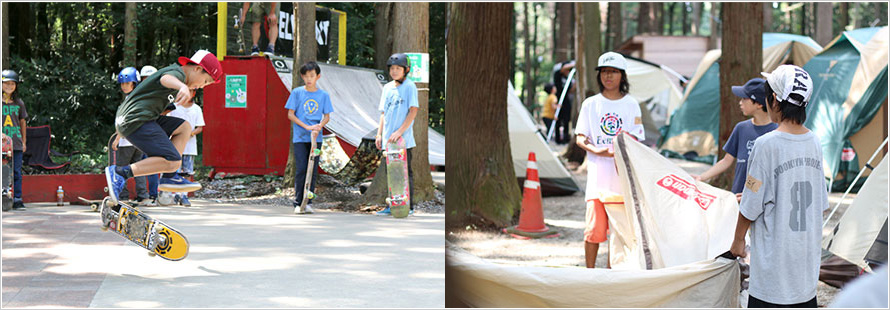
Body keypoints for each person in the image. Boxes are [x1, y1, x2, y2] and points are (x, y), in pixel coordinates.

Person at [729, 65, 828, 307]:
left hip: (772, 280)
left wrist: (738, 241)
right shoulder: (814, 141)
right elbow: (820, 203)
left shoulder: (766, 144)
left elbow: (751, 206)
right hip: (805, 273)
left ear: (773, 99)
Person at [105, 50, 223, 205]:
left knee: (184, 127)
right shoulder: (178, 74)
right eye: (206, 81)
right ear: (197, 69)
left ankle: (170, 175)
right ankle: (120, 173)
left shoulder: (177, 82)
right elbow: (165, 78)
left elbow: (159, 106)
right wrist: (182, 86)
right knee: (173, 160)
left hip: (141, 117)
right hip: (136, 119)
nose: (202, 86)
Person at [574, 52, 644, 268]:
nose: (608, 76)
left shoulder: (631, 104)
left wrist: (620, 149)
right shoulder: (590, 104)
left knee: (620, 232)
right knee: (593, 230)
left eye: (613, 72)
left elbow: (638, 138)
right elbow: (580, 137)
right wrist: (596, 149)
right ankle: (589, 272)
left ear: (622, 76)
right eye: (604, 72)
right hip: (598, 179)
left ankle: (613, 274)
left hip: (622, 181)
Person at [693, 78, 777, 200]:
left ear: (759, 104)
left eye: (744, 98)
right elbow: (727, 160)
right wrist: (702, 177)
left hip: (762, 202)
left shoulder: (776, 132)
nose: (740, 102)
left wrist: (753, 195)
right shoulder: (741, 128)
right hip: (737, 198)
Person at [285, 61, 332, 215]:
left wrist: (319, 126)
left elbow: (327, 117)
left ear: (318, 76)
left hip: (316, 138)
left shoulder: (323, 95)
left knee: (312, 170)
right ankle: (298, 203)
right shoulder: (297, 93)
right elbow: (290, 114)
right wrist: (306, 127)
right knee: (301, 169)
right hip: (300, 137)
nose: (309, 79)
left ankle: (308, 202)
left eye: (312, 76)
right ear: (302, 77)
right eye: (306, 76)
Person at [375, 53, 419, 216]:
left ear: (405, 70)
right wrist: (379, 135)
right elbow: (383, 113)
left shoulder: (409, 86)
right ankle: (392, 205)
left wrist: (400, 132)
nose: (394, 71)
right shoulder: (387, 88)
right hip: (388, 140)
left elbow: (413, 111)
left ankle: (409, 206)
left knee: (405, 173)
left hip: (403, 140)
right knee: (391, 174)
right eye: (392, 69)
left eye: (398, 69)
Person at [111, 67, 155, 206]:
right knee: (139, 168)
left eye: (127, 83)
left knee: (121, 168)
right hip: (139, 142)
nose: (124, 86)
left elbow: (124, 120)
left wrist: (118, 138)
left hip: (127, 141)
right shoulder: (140, 96)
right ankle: (143, 196)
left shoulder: (130, 99)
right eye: (122, 84)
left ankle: (123, 196)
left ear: (134, 84)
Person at [167, 92, 205, 207]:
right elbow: (167, 123)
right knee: (175, 169)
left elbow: (200, 127)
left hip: (190, 145)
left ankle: (184, 195)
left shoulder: (196, 108)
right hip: (175, 145)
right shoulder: (174, 107)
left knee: (187, 171)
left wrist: (190, 133)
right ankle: (175, 194)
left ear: (193, 93)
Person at [2, 70, 28, 210]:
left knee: (17, 172)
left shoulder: (19, 103)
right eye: (6, 83)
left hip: (16, 143)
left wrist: (23, 141)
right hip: (1, 144)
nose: (9, 86)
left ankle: (17, 199)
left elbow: (22, 122)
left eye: (12, 84)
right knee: (3, 171)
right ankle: (3, 197)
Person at [553, 60, 575, 144]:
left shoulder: (569, 78)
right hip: (558, 99)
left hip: (566, 100)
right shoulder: (557, 74)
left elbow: (571, 91)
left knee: (566, 120)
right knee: (558, 120)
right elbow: (564, 68)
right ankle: (558, 139)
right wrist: (574, 64)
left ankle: (566, 138)